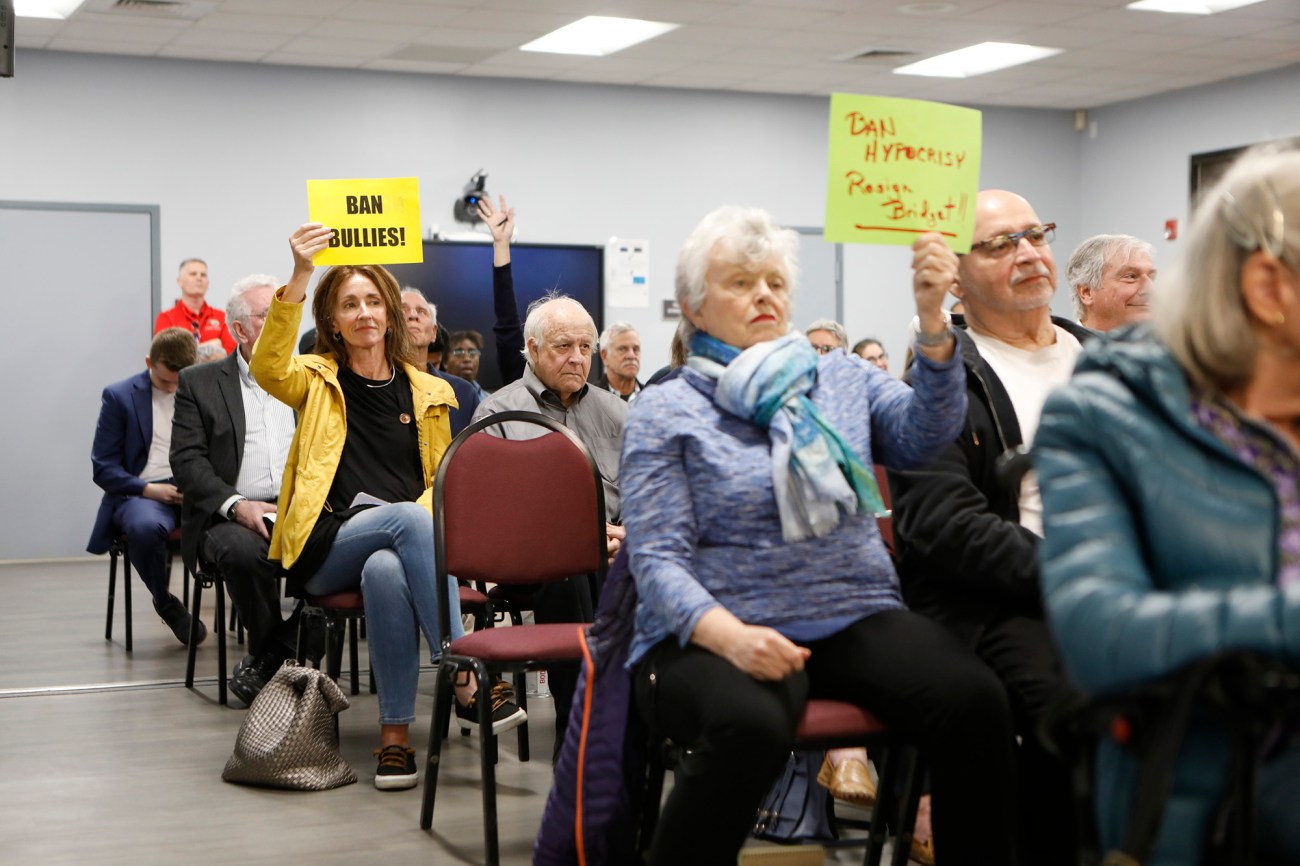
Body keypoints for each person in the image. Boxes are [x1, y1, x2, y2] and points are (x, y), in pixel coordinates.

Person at [623, 205, 1018, 865]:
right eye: (741, 283)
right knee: (749, 725)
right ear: (693, 307)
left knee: (975, 701)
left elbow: (927, 436)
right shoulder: (668, 406)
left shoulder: (836, 376)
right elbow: (657, 560)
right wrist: (734, 638)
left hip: (849, 610)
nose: (764, 296)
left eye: (775, 282)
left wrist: (930, 323)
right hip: (714, 627)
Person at [1036, 145, 1300, 865]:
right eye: (1130, 276)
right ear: (1270, 287)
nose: (1146, 286)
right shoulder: (1108, 415)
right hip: (1212, 795)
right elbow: (1099, 633)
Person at [251, 223, 525, 791]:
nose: (364, 313)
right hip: (327, 542)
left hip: (399, 541)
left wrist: (418, 514)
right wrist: (302, 273)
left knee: (387, 565)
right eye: (350, 304)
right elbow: (267, 367)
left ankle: (395, 739)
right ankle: (466, 673)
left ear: (390, 315)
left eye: (374, 302)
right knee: (406, 519)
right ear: (333, 321)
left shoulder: (430, 392)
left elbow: (441, 480)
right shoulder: (316, 378)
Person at [887, 190, 1090, 866]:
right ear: (955, 276)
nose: (1028, 253)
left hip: (1122, 584)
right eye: (1000, 244)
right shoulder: (943, 376)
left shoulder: (1103, 361)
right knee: (1069, 710)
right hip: (1003, 601)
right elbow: (943, 525)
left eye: (1034, 234)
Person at [170, 274, 303, 704]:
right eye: (269, 314)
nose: (282, 321)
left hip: (299, 508)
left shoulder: (307, 377)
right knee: (245, 553)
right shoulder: (200, 382)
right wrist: (237, 506)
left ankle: (272, 659)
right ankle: (282, 662)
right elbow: (187, 462)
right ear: (239, 329)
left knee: (354, 545)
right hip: (228, 514)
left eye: (285, 313)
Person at [89, 327, 204, 645]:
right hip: (144, 490)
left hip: (194, 487)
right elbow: (103, 467)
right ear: (148, 362)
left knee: (243, 527)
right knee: (144, 526)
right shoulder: (120, 396)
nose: (172, 387)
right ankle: (165, 602)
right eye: (165, 380)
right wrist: (148, 489)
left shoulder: (197, 389)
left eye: (178, 380)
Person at [399, 288, 480, 435]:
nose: (412, 315)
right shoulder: (376, 389)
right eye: (403, 310)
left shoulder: (463, 393)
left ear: (434, 332)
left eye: (421, 311)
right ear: (389, 325)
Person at [1067, 233, 1158, 331]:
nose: (1150, 289)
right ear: (1087, 292)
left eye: (1151, 278)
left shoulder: (1165, 344)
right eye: (1131, 277)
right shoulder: (1064, 345)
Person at [155, 258, 236, 362]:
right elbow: (167, 356)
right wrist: (212, 346)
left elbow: (231, 354)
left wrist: (186, 353)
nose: (199, 278)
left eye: (203, 275)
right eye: (193, 274)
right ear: (179, 281)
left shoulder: (222, 317)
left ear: (208, 283)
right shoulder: (166, 318)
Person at [595, 322, 643, 401]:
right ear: (604, 356)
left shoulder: (653, 399)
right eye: (622, 349)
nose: (631, 356)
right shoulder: (588, 399)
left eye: (635, 349)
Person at [445, 329, 487, 399]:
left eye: (473, 353)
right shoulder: (436, 397)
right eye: (459, 353)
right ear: (445, 361)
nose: (467, 359)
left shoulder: (489, 402)